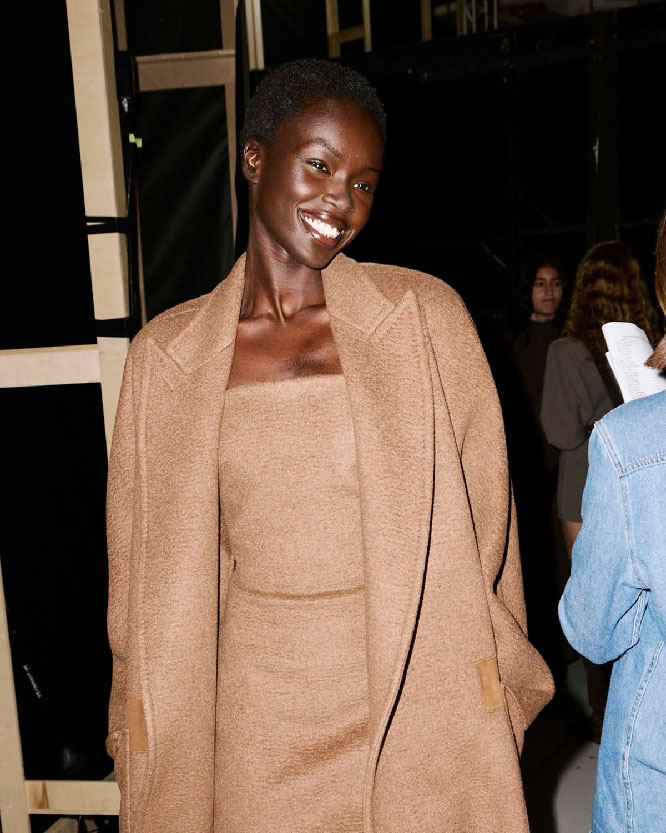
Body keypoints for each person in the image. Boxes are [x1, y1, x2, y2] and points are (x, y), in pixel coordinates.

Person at [106, 59, 553, 833]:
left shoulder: (425, 319)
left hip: (412, 689)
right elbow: (138, 580)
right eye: (320, 165)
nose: (341, 201)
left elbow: (492, 534)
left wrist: (498, 694)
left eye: (364, 183)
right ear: (254, 158)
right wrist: (134, 727)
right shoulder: (166, 357)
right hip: (255, 716)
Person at [558, 213, 666, 832]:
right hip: (612, 473)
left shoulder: (568, 351)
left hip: (601, 479)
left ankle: (599, 716)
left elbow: (593, 630)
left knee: (604, 606)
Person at [541, 240, 660, 737]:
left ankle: (603, 715)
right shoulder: (653, 347)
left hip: (583, 480)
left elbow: (560, 432)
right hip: (647, 473)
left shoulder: (566, 351)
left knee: (594, 598)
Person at [500, 255, 569, 689]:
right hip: (522, 468)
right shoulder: (510, 344)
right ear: (528, 290)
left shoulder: (570, 341)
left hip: (562, 469)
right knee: (527, 564)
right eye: (541, 283)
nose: (549, 292)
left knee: (561, 564)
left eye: (556, 283)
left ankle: (563, 652)